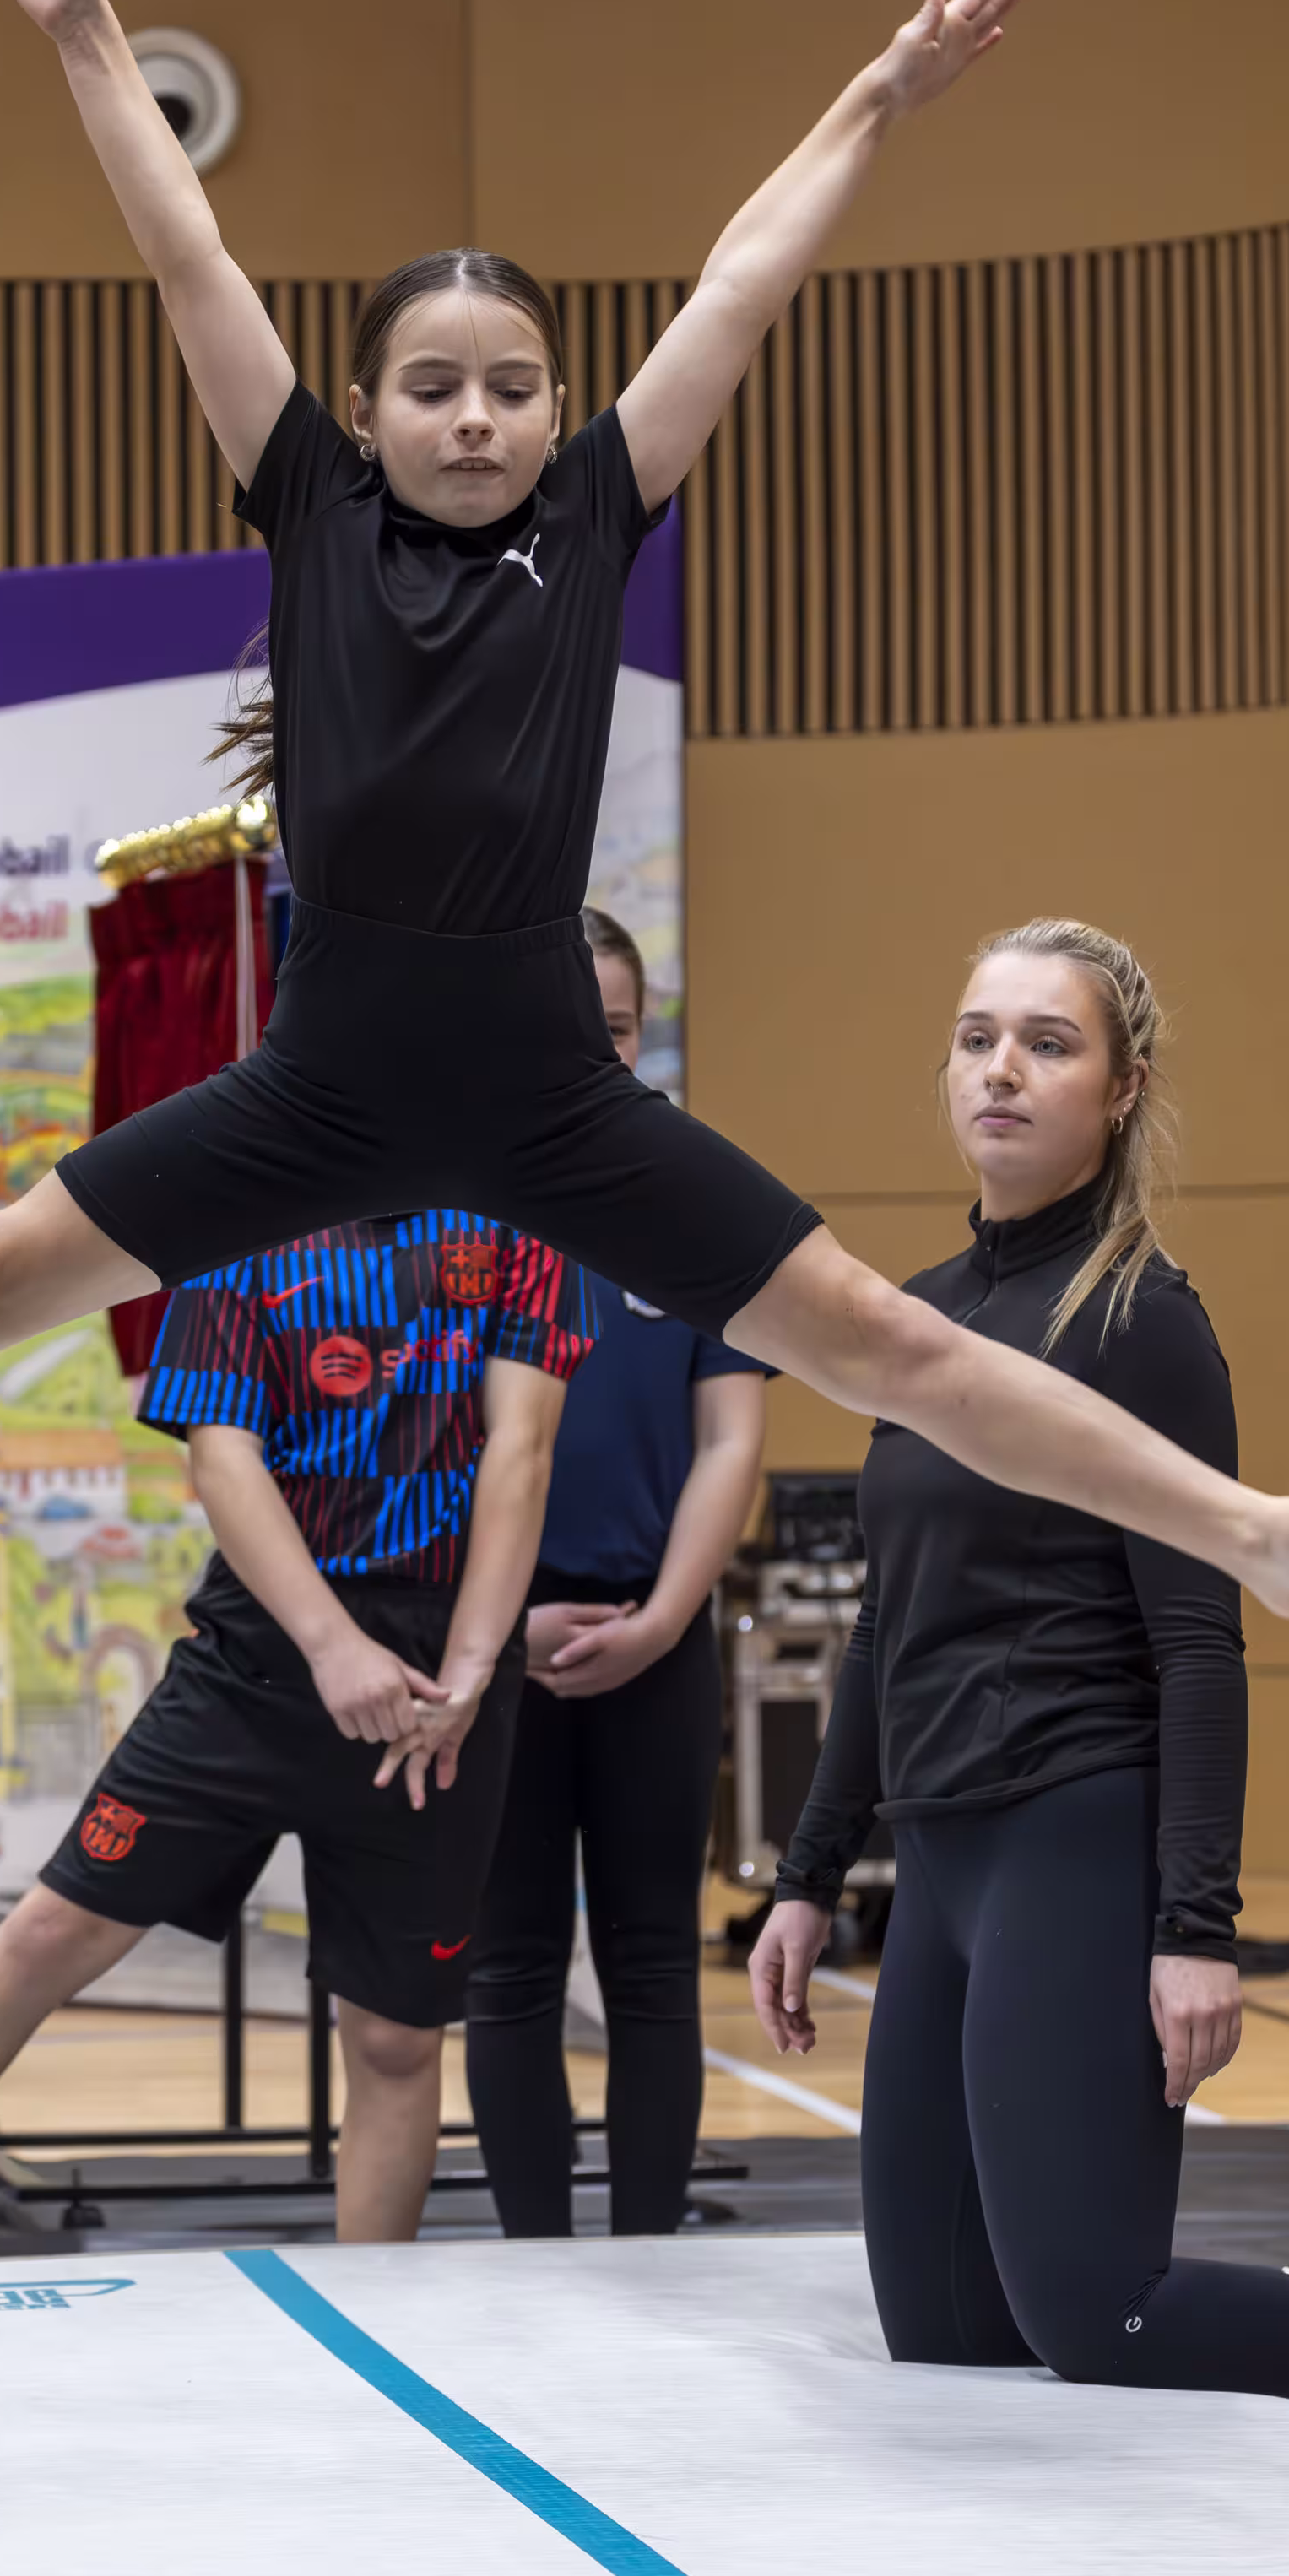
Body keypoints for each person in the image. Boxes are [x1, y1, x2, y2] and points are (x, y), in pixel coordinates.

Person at [0, 0, 1289, 1705]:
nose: (475, 419)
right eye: (432, 388)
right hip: (318, 1081)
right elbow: (186, 252)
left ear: (551, 414)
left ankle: (1244, 1534)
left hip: (540, 1086)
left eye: (509, 388)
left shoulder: (591, 513)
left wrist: (876, 94)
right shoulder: (306, 505)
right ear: (368, 410)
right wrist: (80, 27)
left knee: (869, 1341)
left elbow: (740, 284)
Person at [749, 920, 1289, 2462]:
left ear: (1123, 1088)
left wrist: (1194, 1929)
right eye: (976, 1035)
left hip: (1076, 1828)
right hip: (939, 1854)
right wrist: (808, 1876)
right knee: (944, 2320)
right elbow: (888, 1624)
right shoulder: (919, 1329)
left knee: (1100, 2313)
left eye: (1048, 1043)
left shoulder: (1140, 1318)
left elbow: (1202, 1639)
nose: (1000, 1067)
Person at [0, 1211, 593, 2256]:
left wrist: (478, 1665)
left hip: (447, 1684)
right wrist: (329, 1645)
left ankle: (372, 2323)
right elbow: (223, 1460)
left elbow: (521, 1453)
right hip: (261, 1661)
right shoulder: (251, 1216)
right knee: (52, 1929)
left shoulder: (520, 1233)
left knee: (397, 2038)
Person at [466, 912, 767, 2236]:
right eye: (564, 1023)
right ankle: (535, 2259)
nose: (593, 1050)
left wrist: (660, 1623)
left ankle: (652, 2254)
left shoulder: (696, 1200)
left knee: (653, 1969)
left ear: (646, 1036)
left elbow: (732, 1440)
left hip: (658, 1650)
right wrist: (497, 1629)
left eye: (620, 1027)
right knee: (512, 1971)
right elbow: (434, 1445)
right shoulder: (457, 1213)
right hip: (494, 1654)